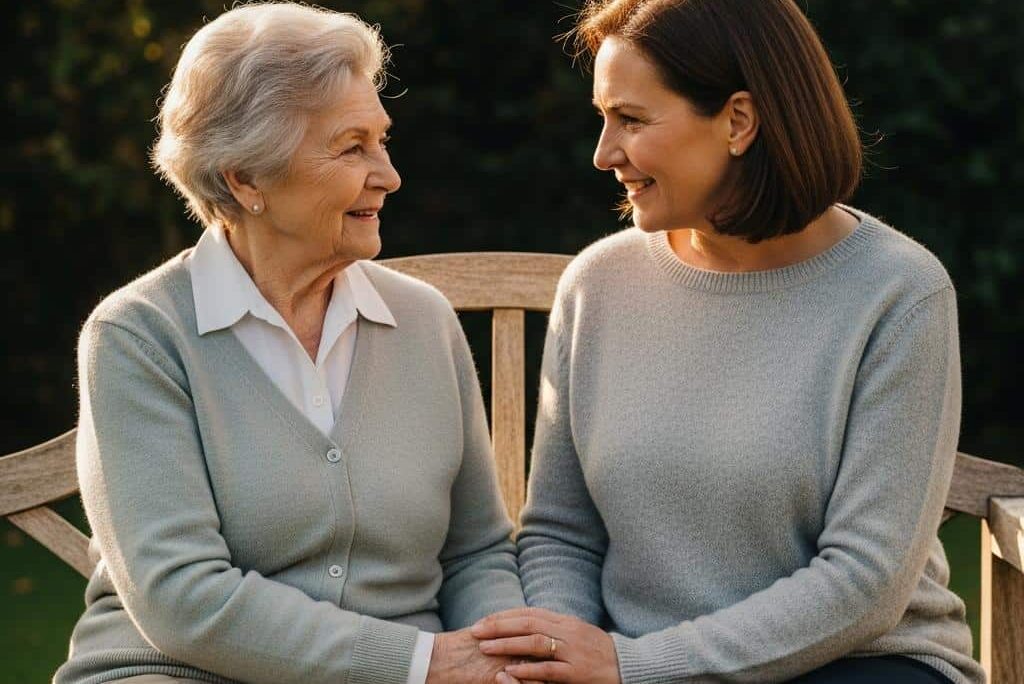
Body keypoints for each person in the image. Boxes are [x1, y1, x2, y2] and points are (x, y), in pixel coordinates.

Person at [470, 1, 986, 683]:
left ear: (738, 121)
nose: (604, 154)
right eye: (603, 119)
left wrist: (636, 666)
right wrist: (567, 654)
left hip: (856, 663)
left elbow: (867, 581)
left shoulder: (898, 293)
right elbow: (561, 535)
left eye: (630, 119)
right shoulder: (599, 284)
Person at [53, 4, 525, 684]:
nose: (388, 175)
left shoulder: (423, 321)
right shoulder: (140, 336)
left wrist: (499, 654)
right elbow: (180, 598)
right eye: (352, 147)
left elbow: (477, 550)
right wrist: (421, 663)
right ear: (245, 179)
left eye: (383, 141)